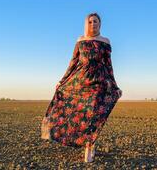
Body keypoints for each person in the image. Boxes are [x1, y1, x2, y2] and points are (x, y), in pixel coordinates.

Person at [41, 12, 122, 163]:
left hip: (99, 82)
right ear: (86, 24)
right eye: (90, 22)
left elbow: (109, 66)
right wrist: (63, 80)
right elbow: (73, 63)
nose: (93, 24)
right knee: (82, 115)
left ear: (100, 23)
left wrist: (115, 86)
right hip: (81, 80)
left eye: (96, 21)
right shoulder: (80, 40)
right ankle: (88, 142)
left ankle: (89, 146)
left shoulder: (105, 41)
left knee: (92, 115)